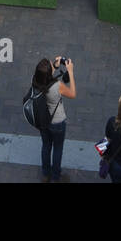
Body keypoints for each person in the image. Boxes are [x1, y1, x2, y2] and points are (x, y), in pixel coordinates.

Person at [32, 55, 76, 183]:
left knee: (46, 146)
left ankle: (45, 174)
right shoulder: (57, 86)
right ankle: (56, 176)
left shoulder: (35, 80)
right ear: (49, 73)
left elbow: (45, 77)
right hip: (57, 122)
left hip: (42, 121)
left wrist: (55, 66)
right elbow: (72, 93)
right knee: (58, 148)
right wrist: (71, 72)